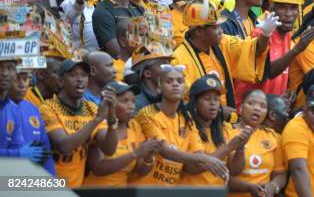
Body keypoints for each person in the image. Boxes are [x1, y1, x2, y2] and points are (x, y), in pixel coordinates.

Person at [172, 0, 277, 108]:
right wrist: (220, 111)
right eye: (215, 27)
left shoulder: (223, 42)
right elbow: (185, 102)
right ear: (199, 31)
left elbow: (253, 49)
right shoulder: (179, 59)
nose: (220, 30)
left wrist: (266, 33)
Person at [135, 64, 228, 186]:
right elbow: (164, 150)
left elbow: (197, 154)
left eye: (179, 81)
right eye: (169, 81)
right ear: (159, 89)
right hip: (145, 189)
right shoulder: (148, 113)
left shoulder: (187, 118)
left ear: (184, 89)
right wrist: (204, 159)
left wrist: (209, 161)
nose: (175, 84)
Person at [39, 59, 119, 188]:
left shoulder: (91, 108)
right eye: (73, 75)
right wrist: (97, 119)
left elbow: (109, 149)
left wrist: (111, 118)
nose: (80, 79)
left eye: (84, 75)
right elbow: (64, 146)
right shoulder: (47, 108)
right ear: (60, 81)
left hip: (77, 187)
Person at [83, 81, 162, 187]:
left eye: (133, 101)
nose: (131, 106)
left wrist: (149, 157)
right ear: (108, 103)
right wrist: (135, 154)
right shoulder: (99, 125)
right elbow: (98, 168)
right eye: (125, 101)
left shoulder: (134, 127)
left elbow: (141, 171)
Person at [181, 75, 250, 186]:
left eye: (216, 99)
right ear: (194, 103)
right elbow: (191, 168)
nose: (213, 103)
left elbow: (234, 171)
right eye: (207, 99)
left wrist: (240, 148)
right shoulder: (186, 127)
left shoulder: (225, 129)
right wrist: (228, 148)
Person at [227, 89, 287, 195]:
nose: (257, 108)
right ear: (240, 108)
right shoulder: (226, 132)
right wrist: (249, 187)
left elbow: (280, 174)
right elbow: (222, 177)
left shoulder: (273, 137)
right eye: (251, 103)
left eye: (263, 106)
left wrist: (272, 187)